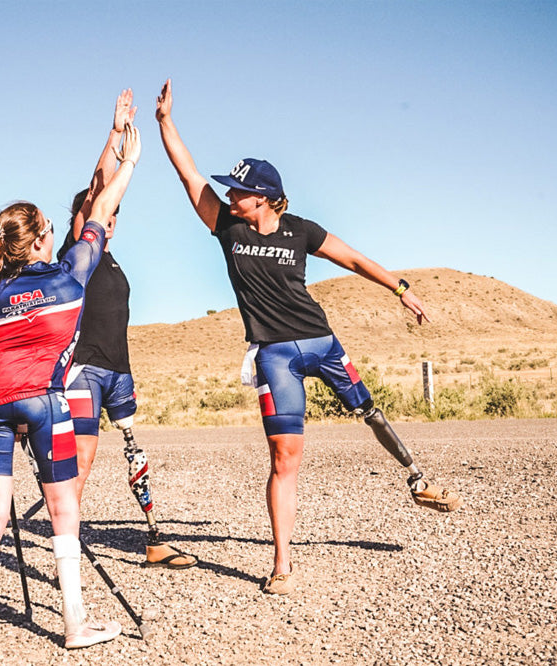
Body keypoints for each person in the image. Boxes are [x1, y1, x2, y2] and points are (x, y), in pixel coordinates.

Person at [154, 78, 462, 596]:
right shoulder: (228, 230)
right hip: (275, 357)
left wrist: (402, 289)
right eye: (228, 189)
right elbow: (188, 175)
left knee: (370, 410)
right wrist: (165, 123)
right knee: (284, 459)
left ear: (267, 199)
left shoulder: (302, 230)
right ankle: (282, 566)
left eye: (238, 190)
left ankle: (416, 477)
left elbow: (356, 259)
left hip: (322, 342)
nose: (228, 194)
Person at [0, 117, 142, 656]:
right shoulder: (69, 276)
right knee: (64, 511)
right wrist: (129, 160)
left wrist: (111, 144)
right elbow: (100, 213)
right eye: (51, 230)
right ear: (39, 240)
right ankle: (74, 623)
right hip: (46, 402)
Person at [59, 89, 197, 570]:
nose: (108, 222)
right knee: (80, 463)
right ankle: (66, 550)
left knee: (134, 452)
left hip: (119, 370)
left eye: (114, 218)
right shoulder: (74, 258)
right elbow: (98, 189)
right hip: (83, 371)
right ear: (82, 219)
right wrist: (115, 133)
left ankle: (156, 537)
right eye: (102, 215)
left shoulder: (110, 262)